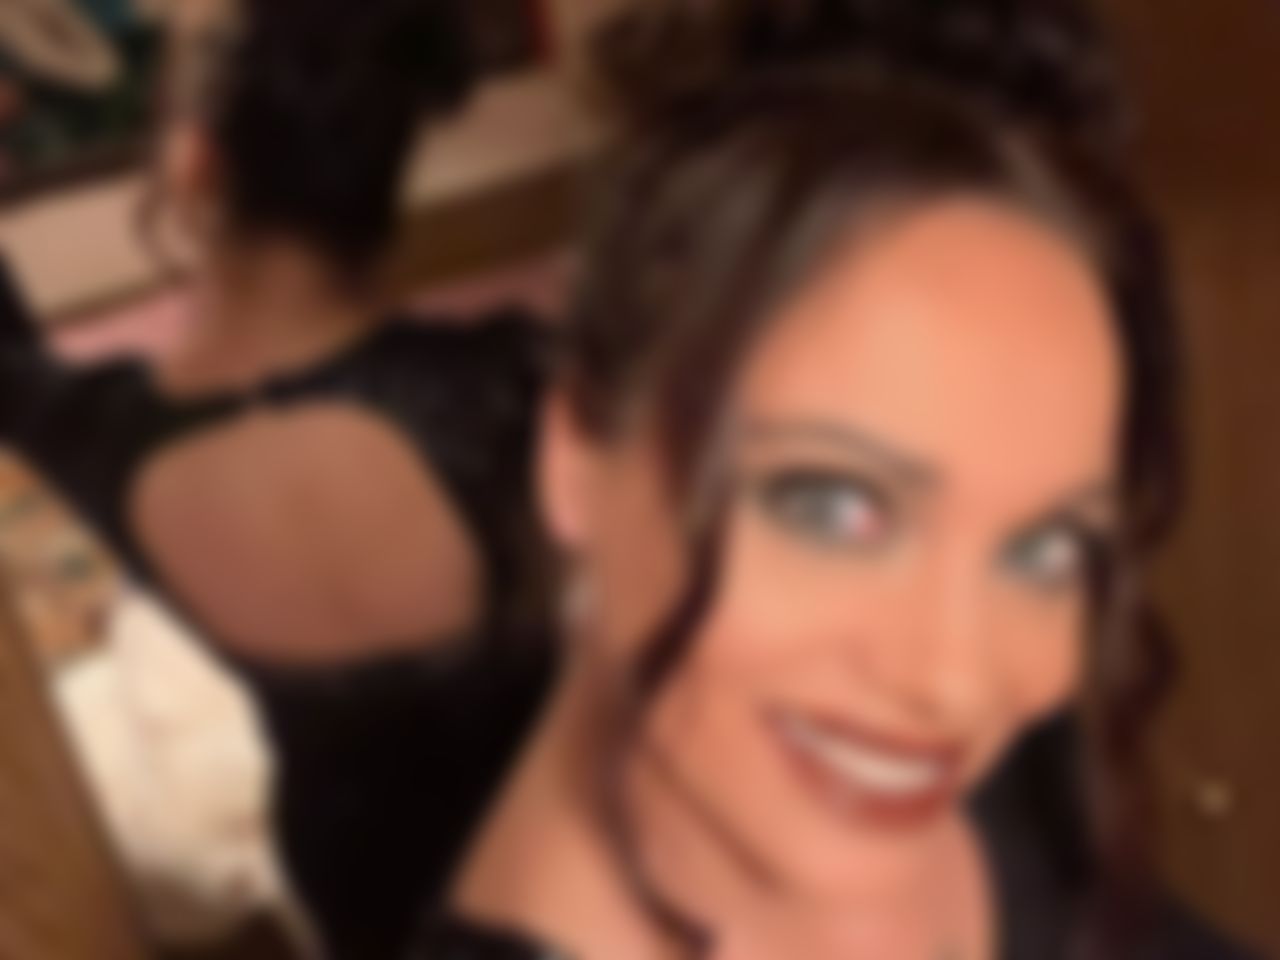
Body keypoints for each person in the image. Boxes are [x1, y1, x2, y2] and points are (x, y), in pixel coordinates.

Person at [410, 1, 1257, 957]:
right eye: (834, 508)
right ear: (574, 457)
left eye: (1044, 548)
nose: (955, 680)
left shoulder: (952, 749)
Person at [0, 0, 556, 956]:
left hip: (357, 889)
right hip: (552, 871)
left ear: (194, 166)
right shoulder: (516, 385)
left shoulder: (97, 437)